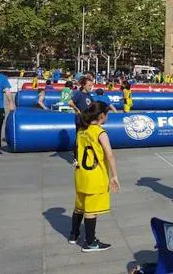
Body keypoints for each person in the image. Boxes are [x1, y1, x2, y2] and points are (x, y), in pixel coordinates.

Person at [69, 102, 120, 251]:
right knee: (91, 210)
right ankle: (90, 242)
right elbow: (110, 155)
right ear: (102, 116)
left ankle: (74, 234)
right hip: (95, 175)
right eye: (107, 114)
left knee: (79, 206)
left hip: (80, 174)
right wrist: (114, 175)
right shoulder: (100, 132)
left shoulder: (81, 130)